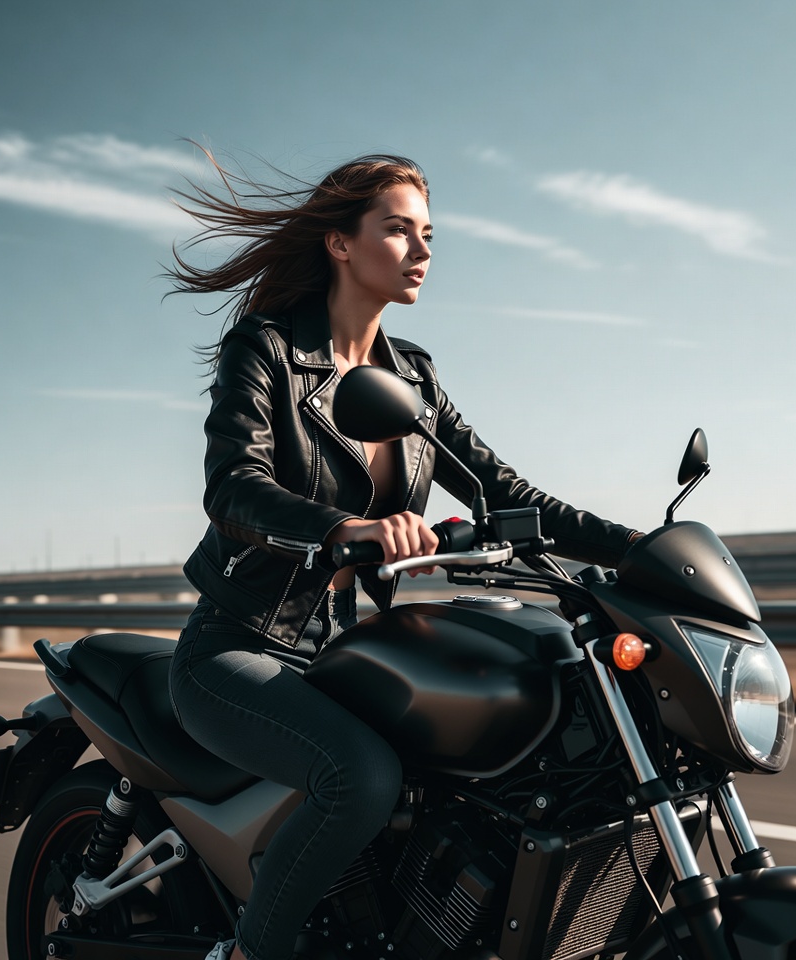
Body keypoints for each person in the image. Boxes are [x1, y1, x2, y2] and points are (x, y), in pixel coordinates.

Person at [166, 152, 642, 960]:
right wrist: (337, 528)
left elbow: (506, 491)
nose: (422, 250)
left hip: (343, 653)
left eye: (427, 234)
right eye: (398, 230)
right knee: (361, 778)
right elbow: (234, 486)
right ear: (340, 244)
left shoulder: (410, 376)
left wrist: (642, 550)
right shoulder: (270, 349)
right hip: (239, 645)